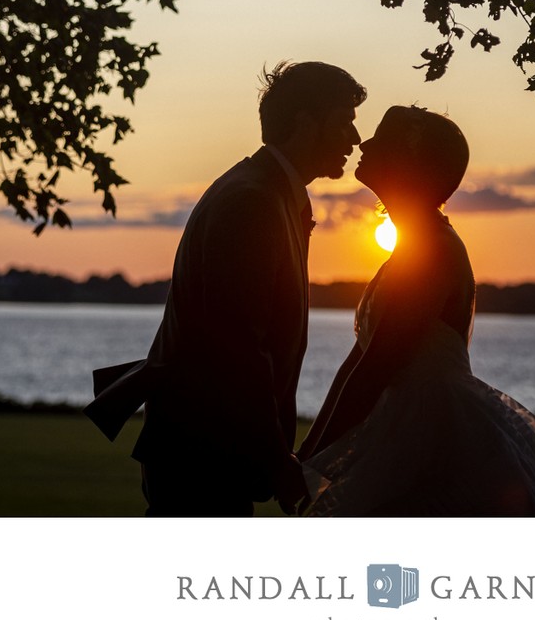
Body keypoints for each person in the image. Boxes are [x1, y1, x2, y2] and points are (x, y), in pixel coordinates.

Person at [298, 105, 535, 517]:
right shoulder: (411, 246)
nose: (366, 142)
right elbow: (359, 358)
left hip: (435, 431)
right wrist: (309, 452)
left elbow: (378, 366)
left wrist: (314, 458)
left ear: (408, 162)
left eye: (383, 138)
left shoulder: (432, 250)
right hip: (407, 421)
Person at [85, 59, 365, 516]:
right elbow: (237, 347)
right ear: (304, 122)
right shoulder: (251, 203)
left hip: (210, 447)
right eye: (344, 123)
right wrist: (277, 461)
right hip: (202, 450)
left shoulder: (267, 192)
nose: (354, 139)